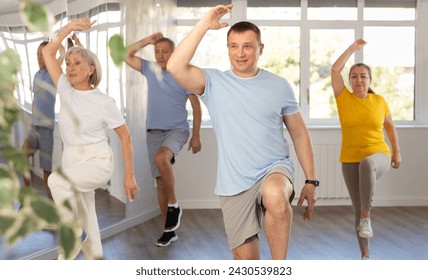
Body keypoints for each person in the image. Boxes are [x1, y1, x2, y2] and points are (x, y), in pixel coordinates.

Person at [167, 4, 317, 260]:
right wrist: (205, 23)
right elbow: (175, 66)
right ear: (227, 50)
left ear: (260, 49)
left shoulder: (279, 86)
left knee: (275, 196)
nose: (241, 53)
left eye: (248, 45)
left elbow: (299, 133)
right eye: (234, 46)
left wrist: (311, 181)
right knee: (245, 261)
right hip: (234, 182)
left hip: (275, 168)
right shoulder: (214, 83)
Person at [42, 18, 140, 259]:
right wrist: (69, 28)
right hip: (72, 158)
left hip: (98, 160)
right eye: (67, 63)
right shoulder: (65, 88)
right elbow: (48, 51)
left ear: (91, 69)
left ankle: (73, 234)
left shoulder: (104, 102)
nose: (70, 67)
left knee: (56, 181)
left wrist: (129, 175)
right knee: (87, 214)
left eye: (77, 63)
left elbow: (125, 137)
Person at [125, 33, 202, 247]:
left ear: (174, 52)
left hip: (176, 130)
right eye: (156, 52)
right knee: (160, 183)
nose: (159, 55)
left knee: (162, 159)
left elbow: (196, 106)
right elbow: (124, 54)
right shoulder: (151, 70)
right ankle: (169, 229)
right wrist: (147, 40)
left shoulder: (182, 73)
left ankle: (174, 205)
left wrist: (196, 135)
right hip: (153, 132)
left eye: (165, 51)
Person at [331, 39, 401, 260]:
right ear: (349, 81)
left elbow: (390, 126)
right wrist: (353, 49)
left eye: (363, 76)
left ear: (370, 80)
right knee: (357, 208)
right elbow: (334, 69)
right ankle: (365, 255)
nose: (358, 79)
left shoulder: (379, 101)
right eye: (354, 76)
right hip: (350, 158)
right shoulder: (343, 99)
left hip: (378, 155)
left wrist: (397, 152)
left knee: (367, 163)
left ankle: (366, 216)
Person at [21, 41, 64, 200]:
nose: (39, 58)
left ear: (48, 56)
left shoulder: (52, 73)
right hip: (34, 128)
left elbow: (62, 55)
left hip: (46, 130)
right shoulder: (36, 75)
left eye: (42, 54)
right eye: (37, 55)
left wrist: (58, 45)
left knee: (47, 174)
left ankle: (52, 207)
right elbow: (35, 100)